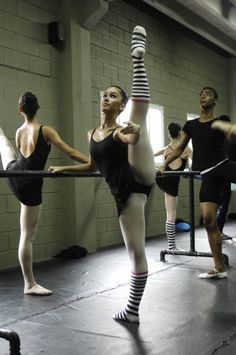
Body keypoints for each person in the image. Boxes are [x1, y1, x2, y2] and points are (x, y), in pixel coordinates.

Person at [49, 26, 155, 323]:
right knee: (135, 252)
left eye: (113, 96)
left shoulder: (119, 130)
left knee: (139, 123)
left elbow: (130, 139)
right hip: (122, 193)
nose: (106, 98)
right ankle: (131, 310)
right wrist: (63, 169)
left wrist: (133, 132)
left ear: (121, 105)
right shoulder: (91, 134)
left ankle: (137, 59)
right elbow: (93, 167)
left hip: (138, 180)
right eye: (104, 95)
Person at [0, 92, 89, 295]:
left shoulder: (20, 131)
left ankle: (29, 283)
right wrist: (92, 163)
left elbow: (24, 158)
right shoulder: (46, 131)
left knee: (4, 144)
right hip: (30, 186)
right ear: (38, 107)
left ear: (19, 110)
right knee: (28, 237)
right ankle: (29, 284)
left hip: (14, 175)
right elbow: (71, 153)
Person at [159, 87, 236, 279]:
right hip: (207, 175)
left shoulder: (219, 122)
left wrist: (228, 128)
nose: (203, 95)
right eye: (201, 93)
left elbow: (232, 131)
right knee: (209, 221)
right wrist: (164, 164)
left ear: (215, 99)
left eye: (208, 93)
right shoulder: (191, 125)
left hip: (223, 167)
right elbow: (178, 149)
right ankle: (219, 268)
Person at [154, 123, 192, 250]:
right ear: (180, 133)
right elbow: (197, 162)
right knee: (170, 215)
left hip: (163, 181)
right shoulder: (186, 150)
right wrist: (189, 171)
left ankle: (172, 246)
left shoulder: (166, 149)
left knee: (170, 214)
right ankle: (172, 246)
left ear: (169, 134)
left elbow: (155, 153)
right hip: (170, 185)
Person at [216, 115, 232, 239]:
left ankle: (217, 231)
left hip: (222, 176)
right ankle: (218, 231)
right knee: (223, 203)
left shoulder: (217, 139)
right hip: (225, 176)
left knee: (220, 203)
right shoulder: (228, 139)